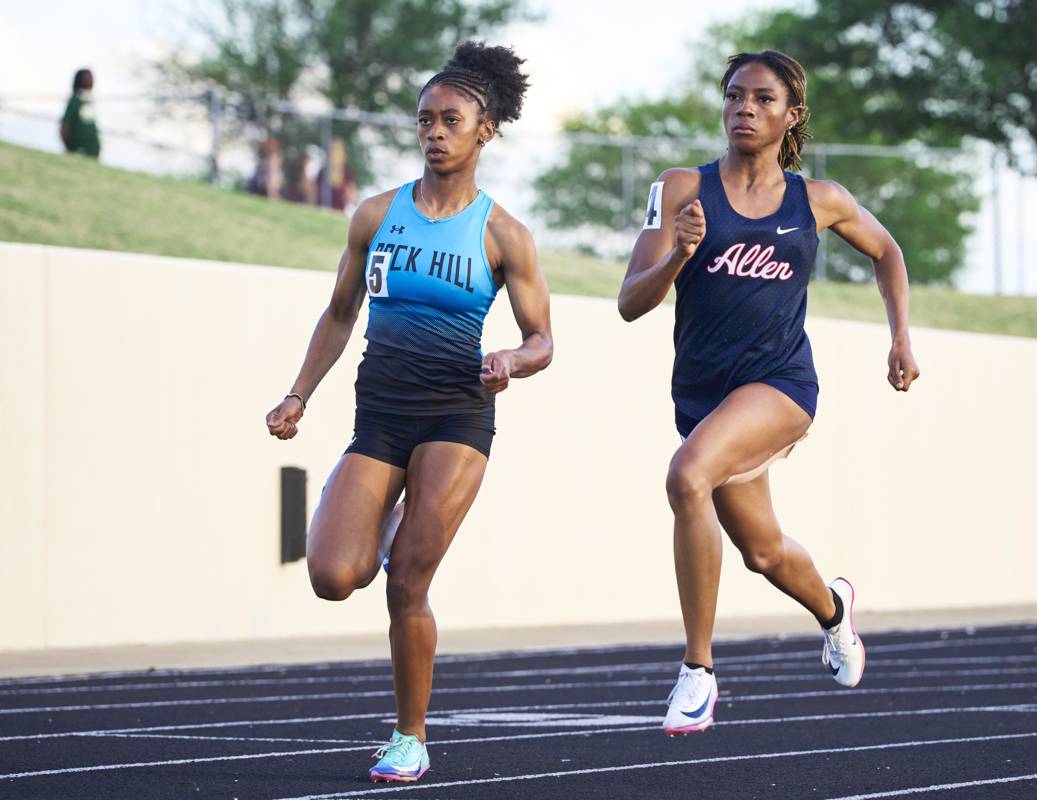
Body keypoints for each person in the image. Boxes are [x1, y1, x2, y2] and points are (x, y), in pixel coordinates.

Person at [264, 41, 551, 783]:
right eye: (425, 119)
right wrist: (298, 394)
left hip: (457, 417)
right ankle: (374, 512)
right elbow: (338, 314)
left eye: (450, 119)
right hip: (381, 417)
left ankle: (410, 737)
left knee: (407, 582)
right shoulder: (374, 216)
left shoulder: (502, 235)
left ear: (484, 130)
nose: (434, 131)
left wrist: (512, 361)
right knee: (332, 574)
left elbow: (542, 339)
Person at [618, 50, 919, 736]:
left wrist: (900, 334)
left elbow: (889, 253)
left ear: (792, 115)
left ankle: (697, 672)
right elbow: (630, 303)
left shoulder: (819, 200)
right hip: (703, 398)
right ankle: (834, 611)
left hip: (781, 386)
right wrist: (676, 255)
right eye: (733, 97)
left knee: (687, 476)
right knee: (762, 552)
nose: (744, 109)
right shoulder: (679, 190)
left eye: (761, 99)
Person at [60, 69, 99, 158]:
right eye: (87, 78)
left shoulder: (89, 102)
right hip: (79, 152)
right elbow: (64, 127)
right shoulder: (75, 101)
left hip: (92, 154)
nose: (91, 81)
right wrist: (71, 148)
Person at [318, 137, 360, 212]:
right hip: (324, 209)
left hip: (339, 210)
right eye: (333, 151)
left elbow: (353, 195)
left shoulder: (346, 172)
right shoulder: (323, 171)